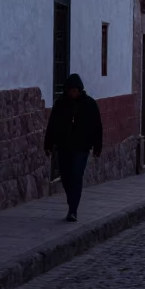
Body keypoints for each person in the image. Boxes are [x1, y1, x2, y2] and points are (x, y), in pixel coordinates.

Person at [44, 73, 103, 222]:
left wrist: (97, 146)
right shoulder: (60, 104)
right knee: (65, 176)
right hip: (63, 146)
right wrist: (48, 144)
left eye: (75, 90)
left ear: (79, 89)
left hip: (81, 147)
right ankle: (72, 200)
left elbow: (97, 126)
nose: (72, 93)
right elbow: (52, 125)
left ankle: (73, 210)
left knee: (76, 175)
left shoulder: (89, 104)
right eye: (70, 90)